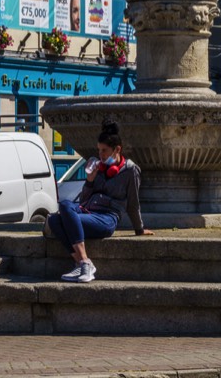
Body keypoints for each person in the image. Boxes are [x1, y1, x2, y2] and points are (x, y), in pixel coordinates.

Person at [46, 119, 152, 282]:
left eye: (104, 151)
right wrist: (90, 180)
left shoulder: (131, 171)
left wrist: (139, 229)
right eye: (99, 150)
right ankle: (83, 263)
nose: (100, 155)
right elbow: (83, 200)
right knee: (58, 213)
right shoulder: (99, 168)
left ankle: (84, 265)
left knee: (59, 219)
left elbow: (133, 203)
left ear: (117, 149)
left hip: (106, 218)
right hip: (88, 210)